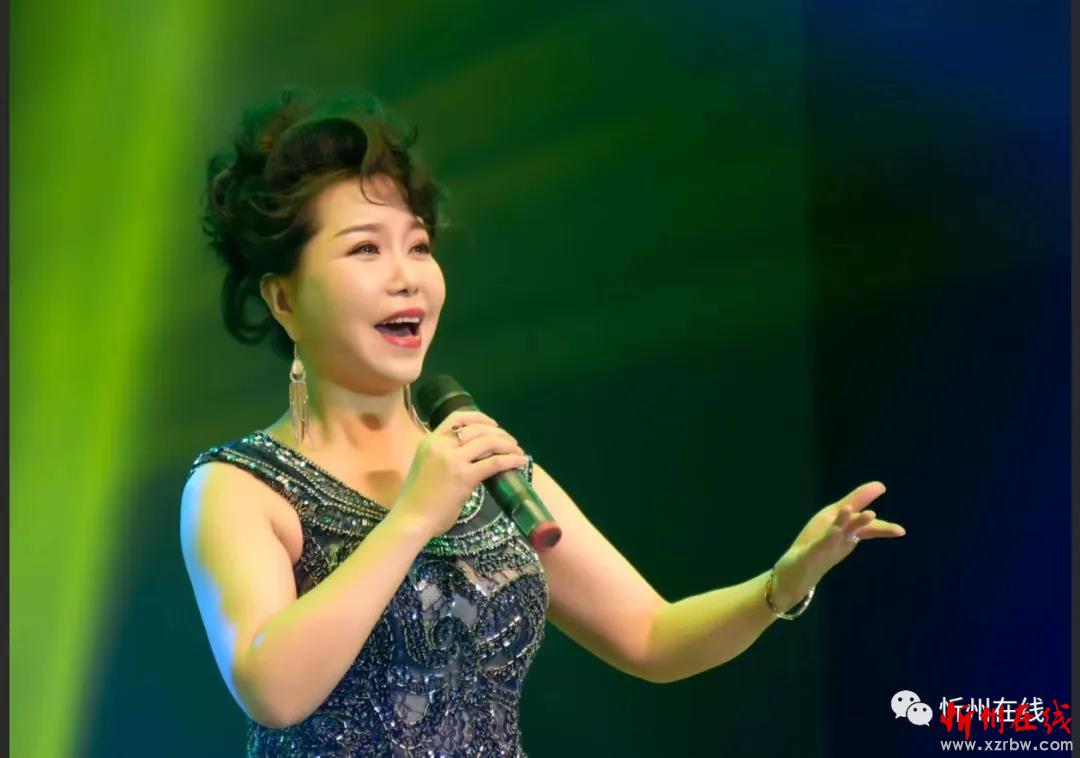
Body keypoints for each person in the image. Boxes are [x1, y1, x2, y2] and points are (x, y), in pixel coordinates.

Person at [179, 86, 906, 757]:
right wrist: (412, 518)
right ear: (283, 299)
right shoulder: (238, 487)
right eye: (366, 248)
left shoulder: (482, 464)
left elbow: (652, 636)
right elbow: (273, 690)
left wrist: (781, 584)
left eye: (419, 246)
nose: (407, 276)